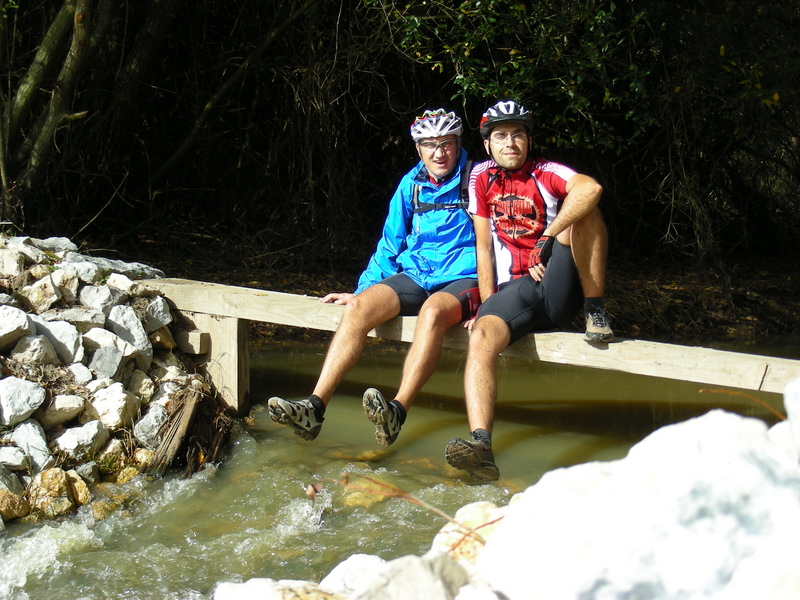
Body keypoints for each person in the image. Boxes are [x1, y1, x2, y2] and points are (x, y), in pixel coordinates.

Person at [268, 108, 479, 445]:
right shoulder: (411, 184)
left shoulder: (478, 179)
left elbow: (499, 243)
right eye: (430, 144)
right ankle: (313, 408)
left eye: (446, 143)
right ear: (419, 149)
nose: (439, 152)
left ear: (458, 145)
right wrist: (363, 291)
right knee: (360, 308)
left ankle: (397, 411)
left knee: (432, 312)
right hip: (417, 273)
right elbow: (390, 243)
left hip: (464, 277)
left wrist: (494, 299)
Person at [444, 99, 613, 482]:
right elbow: (483, 247)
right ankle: (482, 447)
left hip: (557, 284)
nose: (510, 143)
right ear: (487, 144)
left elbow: (590, 188)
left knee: (584, 212)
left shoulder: (545, 171)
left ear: (529, 140)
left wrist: (549, 236)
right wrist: (486, 306)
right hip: (517, 290)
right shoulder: (481, 177)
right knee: (482, 333)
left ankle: (596, 309)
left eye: (518, 134)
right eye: (501, 136)